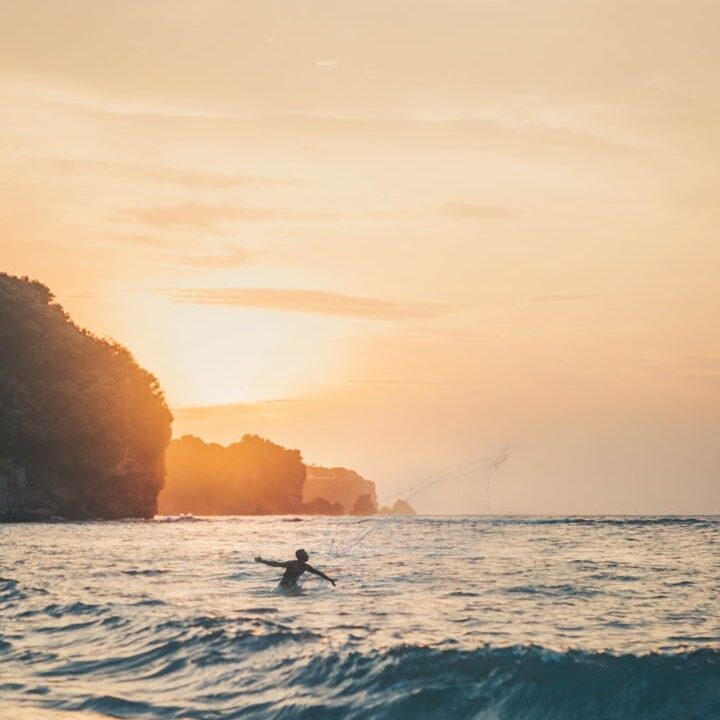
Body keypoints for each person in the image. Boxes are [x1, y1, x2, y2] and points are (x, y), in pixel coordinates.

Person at [254, 548, 337, 588]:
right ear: (301, 556)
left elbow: (319, 573)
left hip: (289, 587)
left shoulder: (305, 566)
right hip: (284, 587)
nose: (308, 555)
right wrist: (263, 561)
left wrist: (330, 580)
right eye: (305, 554)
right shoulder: (293, 564)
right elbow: (276, 564)